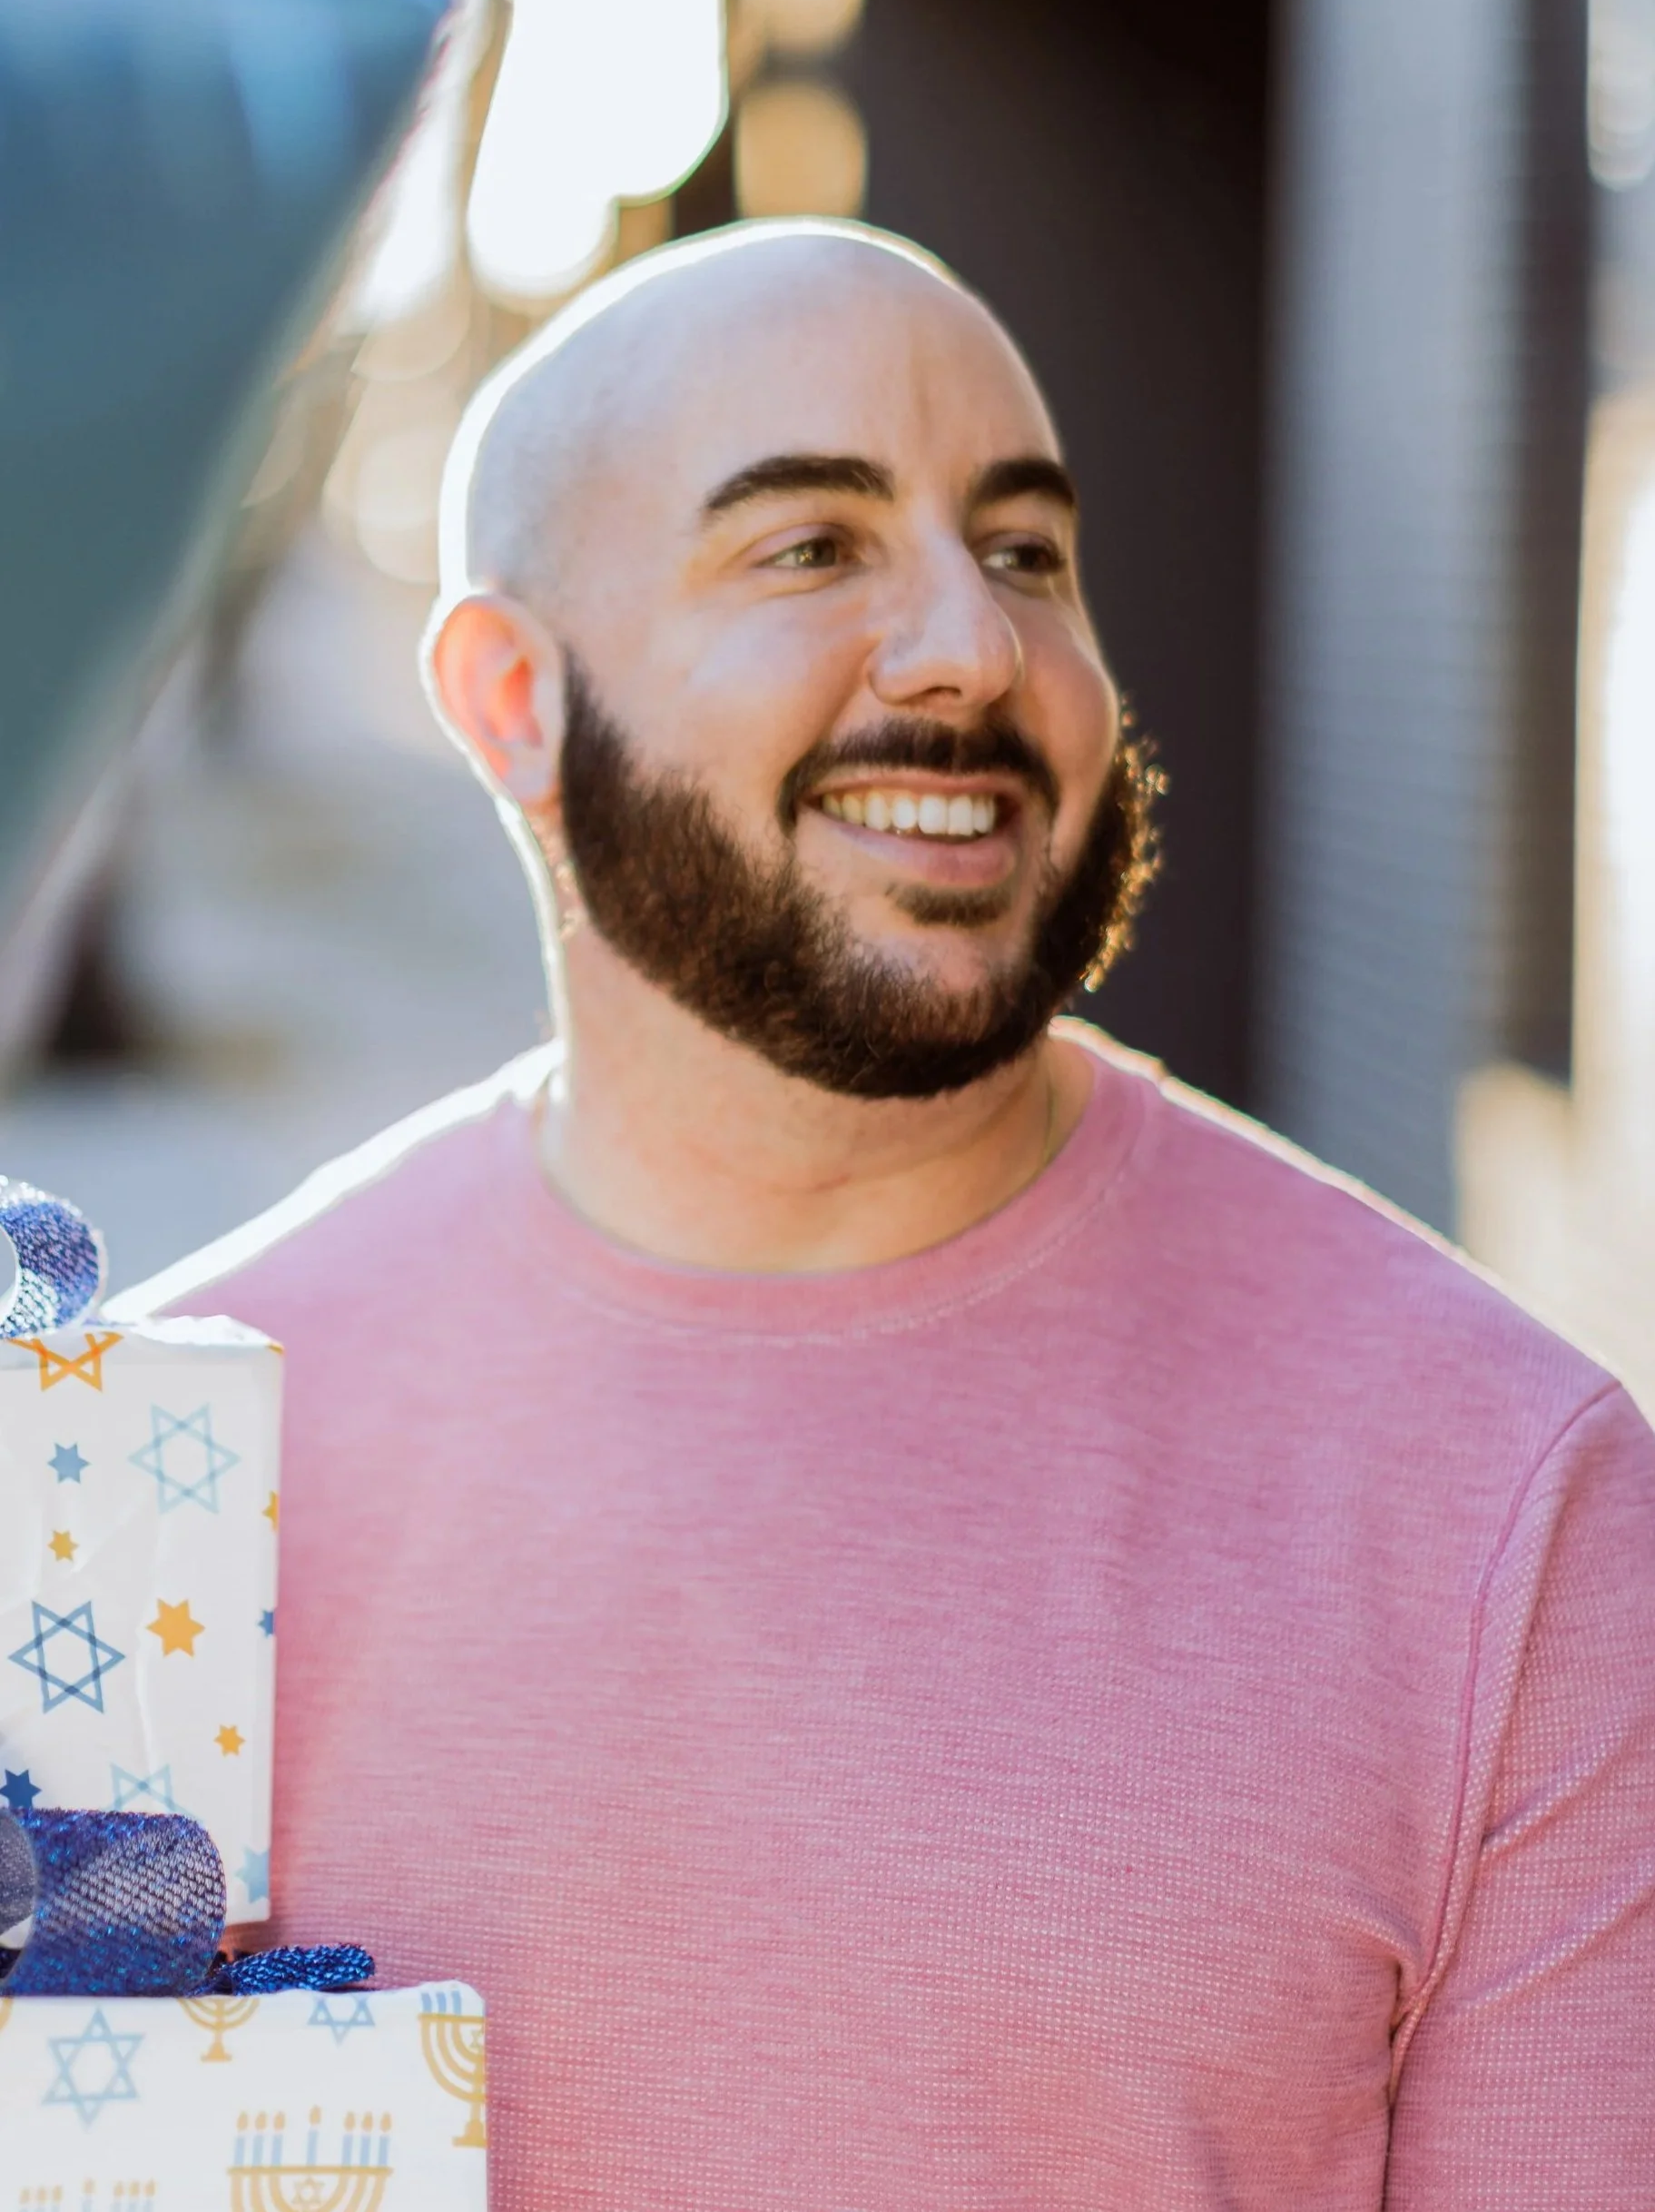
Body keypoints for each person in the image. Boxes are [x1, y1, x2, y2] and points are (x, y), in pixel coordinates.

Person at [115, 222, 1655, 2209]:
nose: (969, 647)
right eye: (810, 546)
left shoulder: (1501, 1503)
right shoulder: (149, 1482)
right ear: (511, 697)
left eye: (1022, 551)